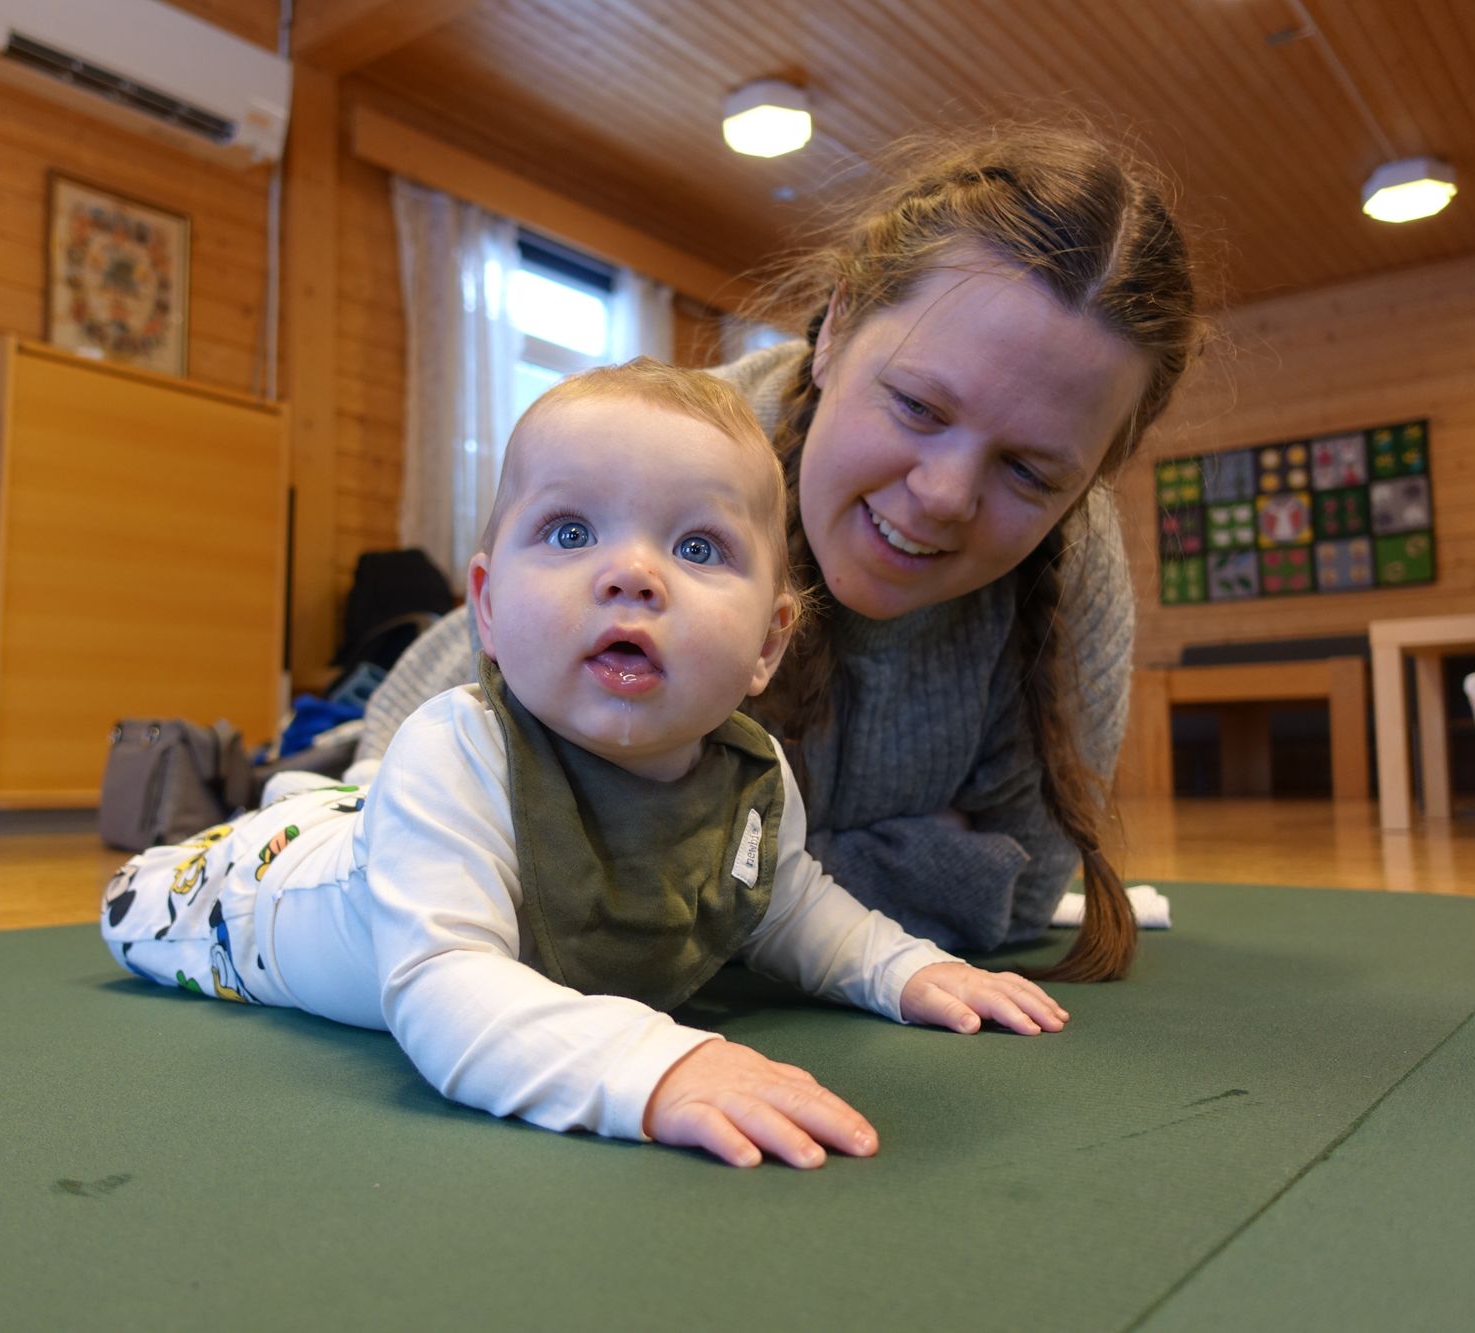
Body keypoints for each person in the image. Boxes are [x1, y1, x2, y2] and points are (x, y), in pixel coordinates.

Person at [102, 361, 1069, 1170]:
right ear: (486, 606)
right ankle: (254, 828)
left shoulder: (753, 777)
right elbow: (444, 987)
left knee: (359, 817)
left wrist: (902, 967)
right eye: (570, 533)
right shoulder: (457, 746)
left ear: (770, 642)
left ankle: (325, 803)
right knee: (150, 904)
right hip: (262, 901)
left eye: (698, 546)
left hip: (384, 828)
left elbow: (786, 906)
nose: (631, 573)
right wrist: (656, 1066)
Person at [349, 125, 1204, 982]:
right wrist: (903, 870)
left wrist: (691, 874)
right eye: (915, 405)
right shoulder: (686, 456)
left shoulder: (1075, 569)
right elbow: (417, 807)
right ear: (834, 331)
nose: (945, 494)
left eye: (1027, 471)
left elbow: (1021, 889)